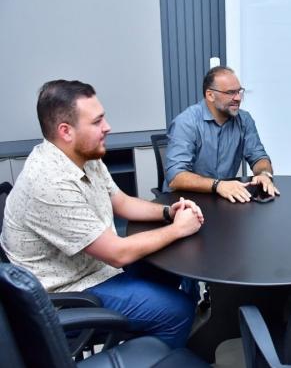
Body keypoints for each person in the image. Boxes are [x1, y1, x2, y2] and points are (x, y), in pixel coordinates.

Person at [0, 80, 204, 348]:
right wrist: (178, 228)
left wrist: (168, 212)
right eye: (97, 122)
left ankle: (152, 337)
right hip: (69, 295)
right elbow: (117, 253)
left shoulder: (85, 156)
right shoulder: (48, 182)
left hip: (96, 269)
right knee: (177, 311)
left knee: (174, 264)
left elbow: (121, 202)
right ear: (66, 131)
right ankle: (156, 349)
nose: (107, 127)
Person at [165, 66, 279, 203]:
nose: (238, 98)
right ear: (210, 95)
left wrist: (264, 174)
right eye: (230, 92)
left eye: (239, 91)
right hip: (185, 202)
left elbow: (259, 157)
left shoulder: (244, 120)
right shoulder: (186, 122)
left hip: (223, 199)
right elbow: (175, 177)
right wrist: (217, 185)